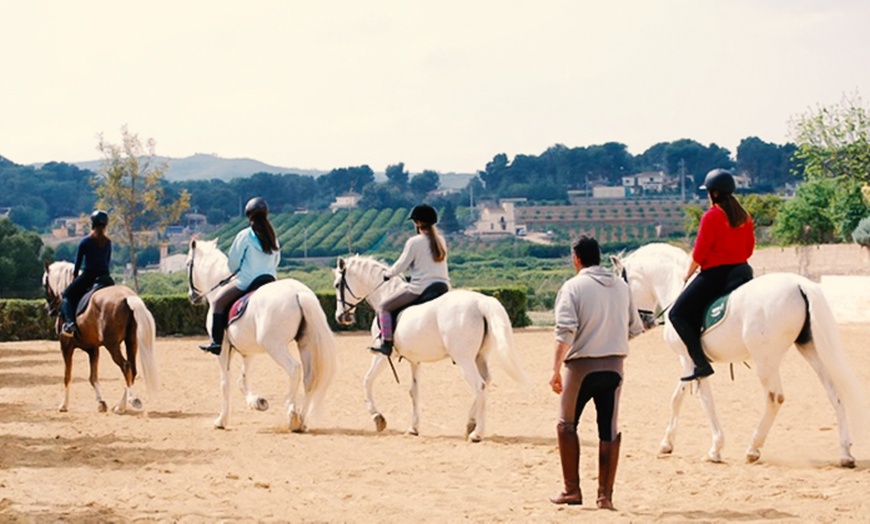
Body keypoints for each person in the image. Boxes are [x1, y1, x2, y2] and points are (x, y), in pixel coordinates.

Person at [549, 235, 643, 509]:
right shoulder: (622, 287)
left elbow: (564, 333)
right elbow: (635, 328)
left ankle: (571, 490)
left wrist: (555, 370)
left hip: (581, 368)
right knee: (608, 430)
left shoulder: (573, 287)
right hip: (614, 367)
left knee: (566, 424)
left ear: (576, 259)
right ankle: (605, 497)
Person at [668, 169, 755, 381]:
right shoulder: (745, 216)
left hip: (718, 275)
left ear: (714, 194)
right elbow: (749, 250)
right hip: (743, 270)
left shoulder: (712, 216)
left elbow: (700, 252)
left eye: (708, 192)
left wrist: (687, 275)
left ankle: (701, 363)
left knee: (676, 314)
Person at [199, 197, 280, 355]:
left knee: (217, 303)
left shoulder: (245, 235)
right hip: (270, 281)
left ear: (249, 215)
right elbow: (276, 260)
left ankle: (216, 343)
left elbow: (233, 263)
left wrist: (239, 270)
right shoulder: (273, 237)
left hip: (247, 281)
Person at [370, 204, 450, 357]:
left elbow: (402, 264)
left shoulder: (414, 242)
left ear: (418, 223)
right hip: (442, 286)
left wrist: (388, 274)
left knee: (384, 307)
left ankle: (386, 343)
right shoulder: (440, 240)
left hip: (420, 288)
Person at [60, 210, 114, 334]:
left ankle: (70, 324)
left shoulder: (85, 242)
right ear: (105, 225)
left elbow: (77, 264)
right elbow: (107, 261)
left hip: (89, 276)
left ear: (92, 224)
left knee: (66, 296)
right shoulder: (108, 242)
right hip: (106, 277)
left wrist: (75, 278)